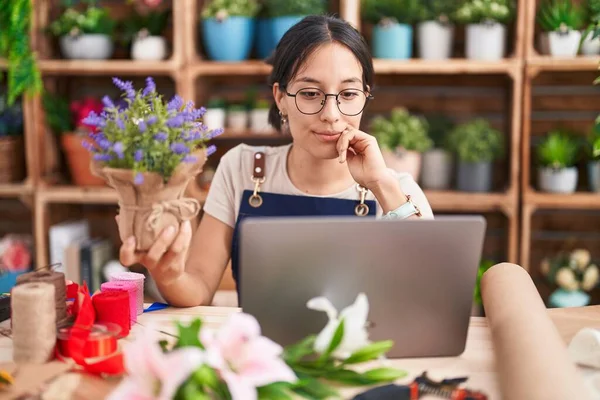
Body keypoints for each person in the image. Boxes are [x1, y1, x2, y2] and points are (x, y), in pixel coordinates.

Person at [119, 15, 434, 307]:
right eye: (310, 93)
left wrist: (381, 184)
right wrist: (170, 275)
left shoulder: (398, 191)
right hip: (261, 357)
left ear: (365, 96)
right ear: (281, 97)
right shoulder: (240, 168)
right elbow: (198, 287)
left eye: (349, 94)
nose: (331, 114)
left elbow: (430, 295)